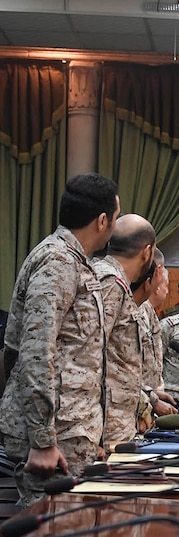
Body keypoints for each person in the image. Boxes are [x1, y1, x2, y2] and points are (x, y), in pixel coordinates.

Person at [0, 172, 119, 504]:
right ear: (102, 221)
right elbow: (33, 352)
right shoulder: (58, 261)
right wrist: (41, 439)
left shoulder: (77, 263)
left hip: (70, 432)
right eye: (115, 218)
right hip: (54, 440)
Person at [94, 213, 160, 448]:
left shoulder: (105, 277)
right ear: (147, 252)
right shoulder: (110, 282)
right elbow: (92, 357)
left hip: (112, 419)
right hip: (103, 424)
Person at [136, 255, 178, 426]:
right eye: (166, 286)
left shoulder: (149, 312)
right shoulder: (138, 310)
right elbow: (129, 370)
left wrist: (154, 395)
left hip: (145, 401)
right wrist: (152, 401)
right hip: (134, 407)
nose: (167, 292)